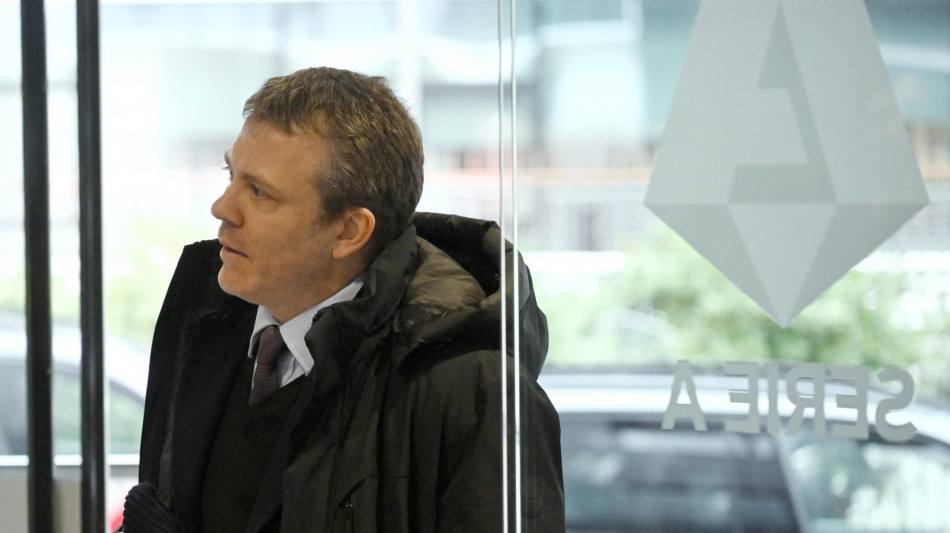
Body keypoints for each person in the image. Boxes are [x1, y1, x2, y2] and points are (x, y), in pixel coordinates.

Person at [120, 67, 564, 532]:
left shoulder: (473, 391)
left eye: (260, 192)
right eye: (231, 175)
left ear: (349, 232)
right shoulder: (203, 325)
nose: (222, 208)